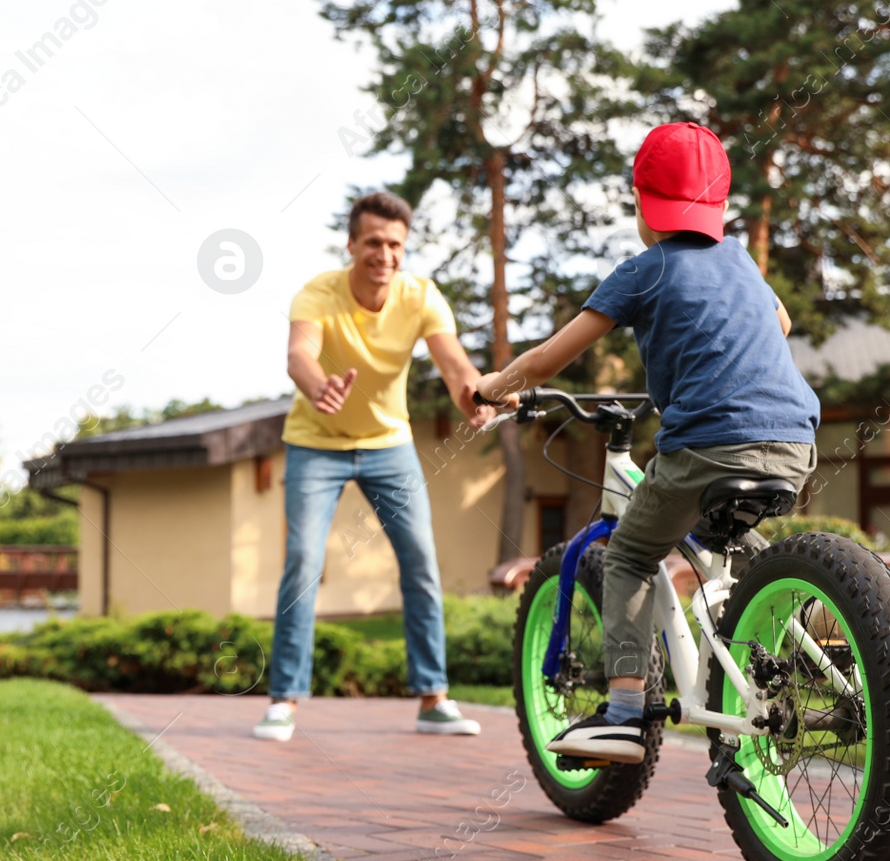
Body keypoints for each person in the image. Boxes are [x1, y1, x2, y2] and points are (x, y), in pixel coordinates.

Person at [474, 122, 821, 764]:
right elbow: (781, 320)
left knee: (632, 554)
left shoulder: (643, 271)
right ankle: (797, 650)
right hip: (794, 440)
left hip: (707, 446)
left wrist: (495, 386)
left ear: (642, 202)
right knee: (733, 544)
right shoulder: (740, 257)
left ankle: (626, 712)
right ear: (715, 206)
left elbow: (550, 358)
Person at [256, 191, 494, 742]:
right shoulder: (318, 293)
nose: (383, 254)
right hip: (316, 443)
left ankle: (433, 698)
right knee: (302, 561)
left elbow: (454, 361)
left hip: (389, 444)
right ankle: (284, 700)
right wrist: (320, 389)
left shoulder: (421, 297)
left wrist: (473, 396)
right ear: (351, 243)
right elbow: (299, 355)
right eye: (372, 242)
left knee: (421, 563)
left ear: (403, 248)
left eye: (394, 244)